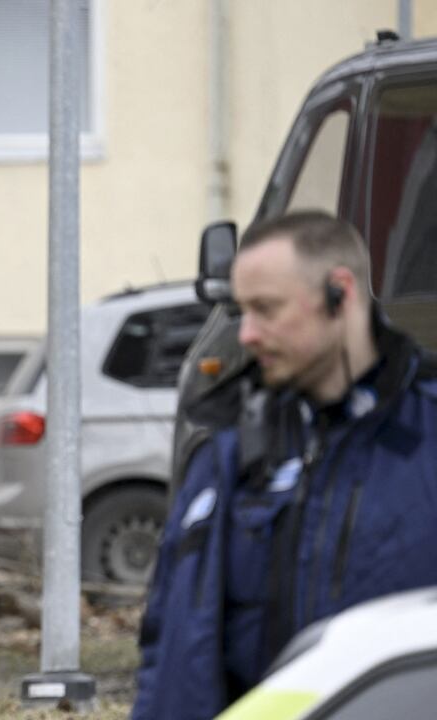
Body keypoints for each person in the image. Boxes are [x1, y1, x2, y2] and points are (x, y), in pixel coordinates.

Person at [133, 211, 437, 719]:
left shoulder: (425, 438)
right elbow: (165, 647)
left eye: (266, 309)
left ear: (340, 293)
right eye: (242, 311)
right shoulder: (225, 456)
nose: (247, 334)